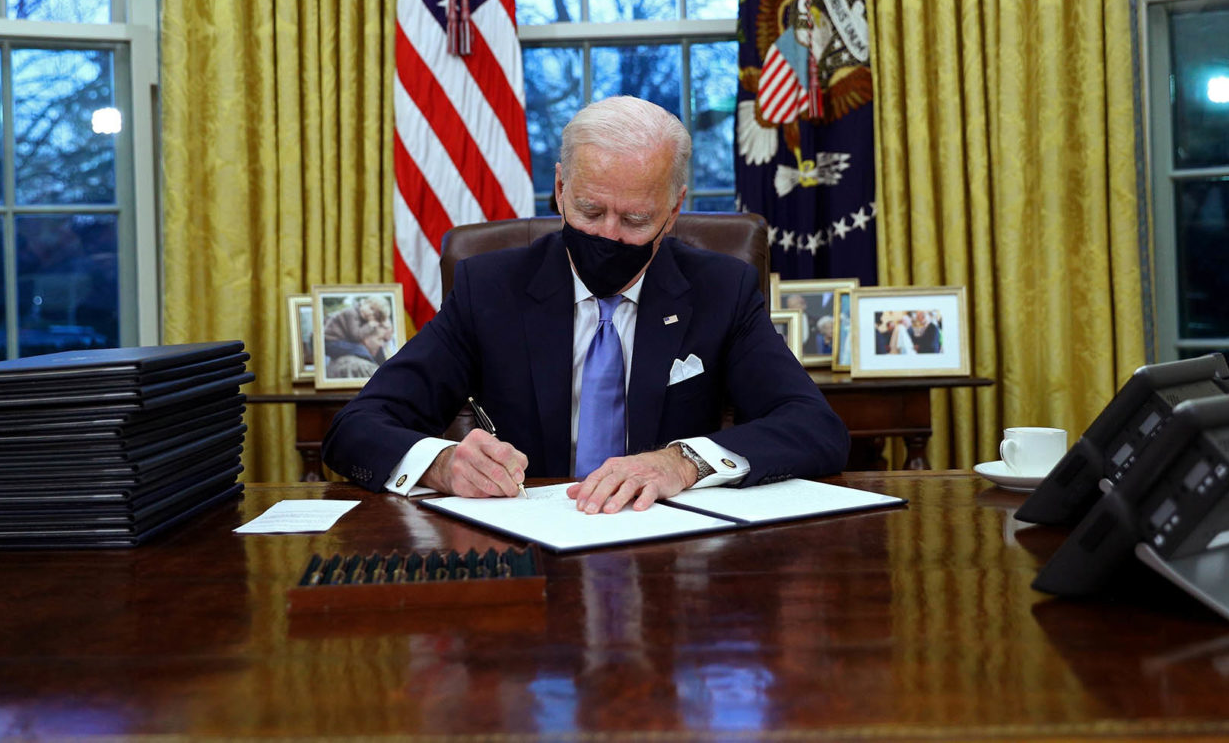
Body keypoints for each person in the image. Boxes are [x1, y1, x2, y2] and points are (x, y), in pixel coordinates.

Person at [322, 96, 850, 515]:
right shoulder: (491, 288)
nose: (609, 235)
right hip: (529, 554)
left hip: (670, 555)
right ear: (559, 188)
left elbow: (814, 427)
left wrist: (684, 461)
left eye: (637, 219)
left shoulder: (721, 290)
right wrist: (439, 464)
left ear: (673, 210)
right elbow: (357, 427)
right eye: (590, 209)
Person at [322, 295, 394, 379]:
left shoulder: (361, 316)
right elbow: (355, 335)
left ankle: (382, 368)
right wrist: (370, 325)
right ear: (364, 302)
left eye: (375, 314)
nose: (371, 313)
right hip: (330, 342)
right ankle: (374, 365)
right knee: (360, 349)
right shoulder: (351, 313)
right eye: (371, 308)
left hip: (336, 342)